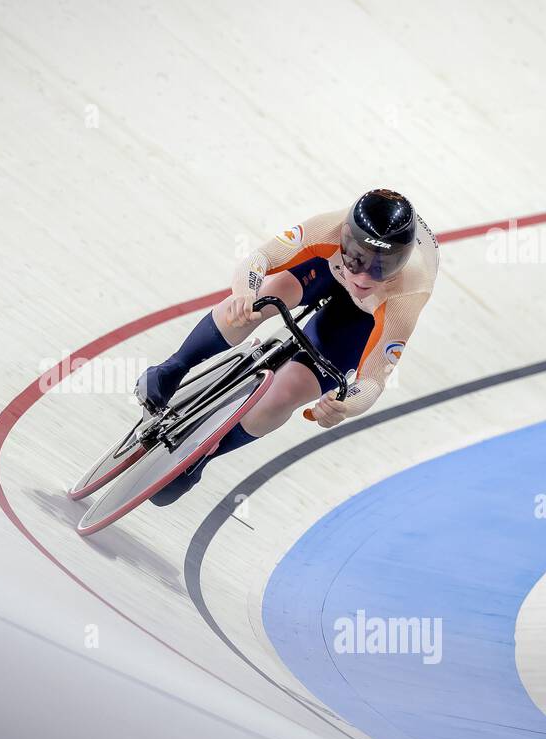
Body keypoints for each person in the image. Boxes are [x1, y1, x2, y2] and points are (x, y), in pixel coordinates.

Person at [138, 189, 439, 505]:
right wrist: (244, 295)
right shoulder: (329, 228)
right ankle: (172, 369)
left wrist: (343, 406)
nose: (363, 277)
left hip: (363, 317)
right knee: (254, 304)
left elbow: (373, 381)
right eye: (357, 258)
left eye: (382, 267)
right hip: (324, 269)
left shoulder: (409, 291)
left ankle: (203, 455)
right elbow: (259, 259)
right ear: (345, 237)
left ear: (402, 263)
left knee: (286, 393)